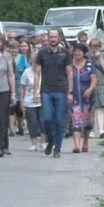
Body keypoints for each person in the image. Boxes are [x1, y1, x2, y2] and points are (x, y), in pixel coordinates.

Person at [33, 28, 71, 158]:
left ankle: (57, 148)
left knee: (60, 121)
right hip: (46, 90)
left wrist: (70, 92)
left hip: (61, 90)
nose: (53, 39)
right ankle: (50, 139)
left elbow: (69, 73)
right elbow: (37, 73)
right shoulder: (42, 53)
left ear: (59, 38)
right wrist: (35, 91)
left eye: (55, 37)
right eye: (51, 37)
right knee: (47, 120)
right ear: (47, 38)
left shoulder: (65, 53)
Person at [67, 43, 97, 154]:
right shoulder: (69, 65)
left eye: (79, 51)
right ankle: (76, 146)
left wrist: (90, 89)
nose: (77, 53)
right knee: (76, 121)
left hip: (88, 98)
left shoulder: (89, 64)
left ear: (84, 52)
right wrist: (68, 93)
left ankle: (85, 143)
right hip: (74, 98)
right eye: (75, 51)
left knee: (87, 123)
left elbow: (94, 79)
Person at [87, 38, 104, 139]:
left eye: (97, 47)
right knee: (90, 107)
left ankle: (101, 129)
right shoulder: (87, 57)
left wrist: (100, 59)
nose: (95, 49)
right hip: (89, 84)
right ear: (90, 47)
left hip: (101, 83)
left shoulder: (103, 56)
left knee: (100, 107)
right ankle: (91, 130)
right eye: (93, 47)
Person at [19, 61, 43, 153]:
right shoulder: (27, 72)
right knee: (32, 122)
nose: (36, 65)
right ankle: (34, 144)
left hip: (42, 100)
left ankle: (43, 142)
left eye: (38, 63)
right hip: (29, 101)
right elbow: (22, 88)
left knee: (43, 121)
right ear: (31, 62)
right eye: (34, 63)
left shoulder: (44, 71)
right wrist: (22, 101)